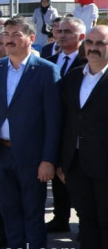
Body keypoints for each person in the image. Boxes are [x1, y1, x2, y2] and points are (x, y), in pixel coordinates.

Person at [0, 16, 60, 249]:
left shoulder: (46, 70)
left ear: (30, 38)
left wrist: (48, 159)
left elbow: (54, 120)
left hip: (32, 158)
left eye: (16, 34)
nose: (9, 39)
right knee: (9, 213)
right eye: (7, 33)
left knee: (33, 213)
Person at [57, 25, 108, 249]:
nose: (94, 47)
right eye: (89, 42)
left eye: (100, 43)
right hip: (76, 164)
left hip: (104, 166)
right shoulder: (75, 76)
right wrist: (61, 161)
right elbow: (65, 120)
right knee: (86, 221)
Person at [44, 16, 87, 234]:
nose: (61, 35)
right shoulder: (47, 58)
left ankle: (83, 223)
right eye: (59, 31)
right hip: (53, 127)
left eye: (68, 32)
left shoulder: (88, 62)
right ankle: (60, 217)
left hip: (76, 129)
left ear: (81, 37)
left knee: (77, 179)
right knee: (58, 176)